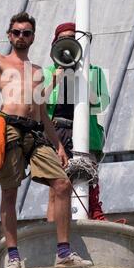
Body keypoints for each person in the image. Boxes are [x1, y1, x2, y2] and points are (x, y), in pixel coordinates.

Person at [0, 8, 93, 268]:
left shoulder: (39, 71)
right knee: (10, 192)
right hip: (8, 128)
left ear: (32, 38)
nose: (21, 36)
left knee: (62, 183)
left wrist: (60, 145)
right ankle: (13, 256)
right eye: (17, 32)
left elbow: (41, 112)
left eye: (26, 33)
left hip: (35, 132)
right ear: (10, 35)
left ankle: (63, 252)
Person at [43, 23, 110, 222]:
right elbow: (37, 104)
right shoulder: (47, 73)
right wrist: (56, 78)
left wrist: (80, 75)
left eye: (72, 39)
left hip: (84, 133)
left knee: (86, 183)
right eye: (63, 39)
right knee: (57, 187)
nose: (67, 43)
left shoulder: (94, 72)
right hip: (57, 133)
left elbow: (99, 104)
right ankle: (54, 232)